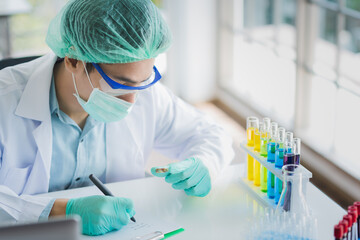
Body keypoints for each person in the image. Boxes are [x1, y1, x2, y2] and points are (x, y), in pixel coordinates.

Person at [0, 0, 234, 236]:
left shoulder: (145, 94)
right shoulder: (5, 100)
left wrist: (204, 163)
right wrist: (57, 212)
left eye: (142, 81)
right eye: (119, 84)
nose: (132, 101)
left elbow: (212, 134)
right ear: (73, 60)